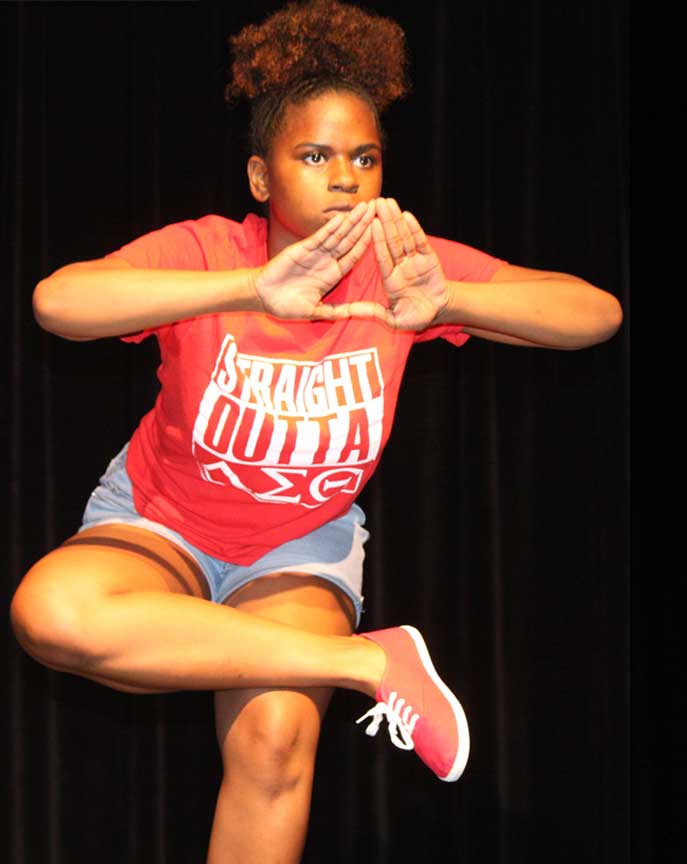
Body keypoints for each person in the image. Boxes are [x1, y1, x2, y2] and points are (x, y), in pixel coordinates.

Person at [8, 1, 622, 861]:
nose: (345, 179)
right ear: (262, 178)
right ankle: (373, 664)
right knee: (51, 611)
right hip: (162, 520)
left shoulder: (402, 268)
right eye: (316, 156)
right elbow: (57, 301)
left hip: (300, 545)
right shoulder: (211, 250)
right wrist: (247, 291)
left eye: (364, 158)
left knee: (274, 741)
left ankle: (347, 659)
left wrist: (449, 302)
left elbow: (595, 314)